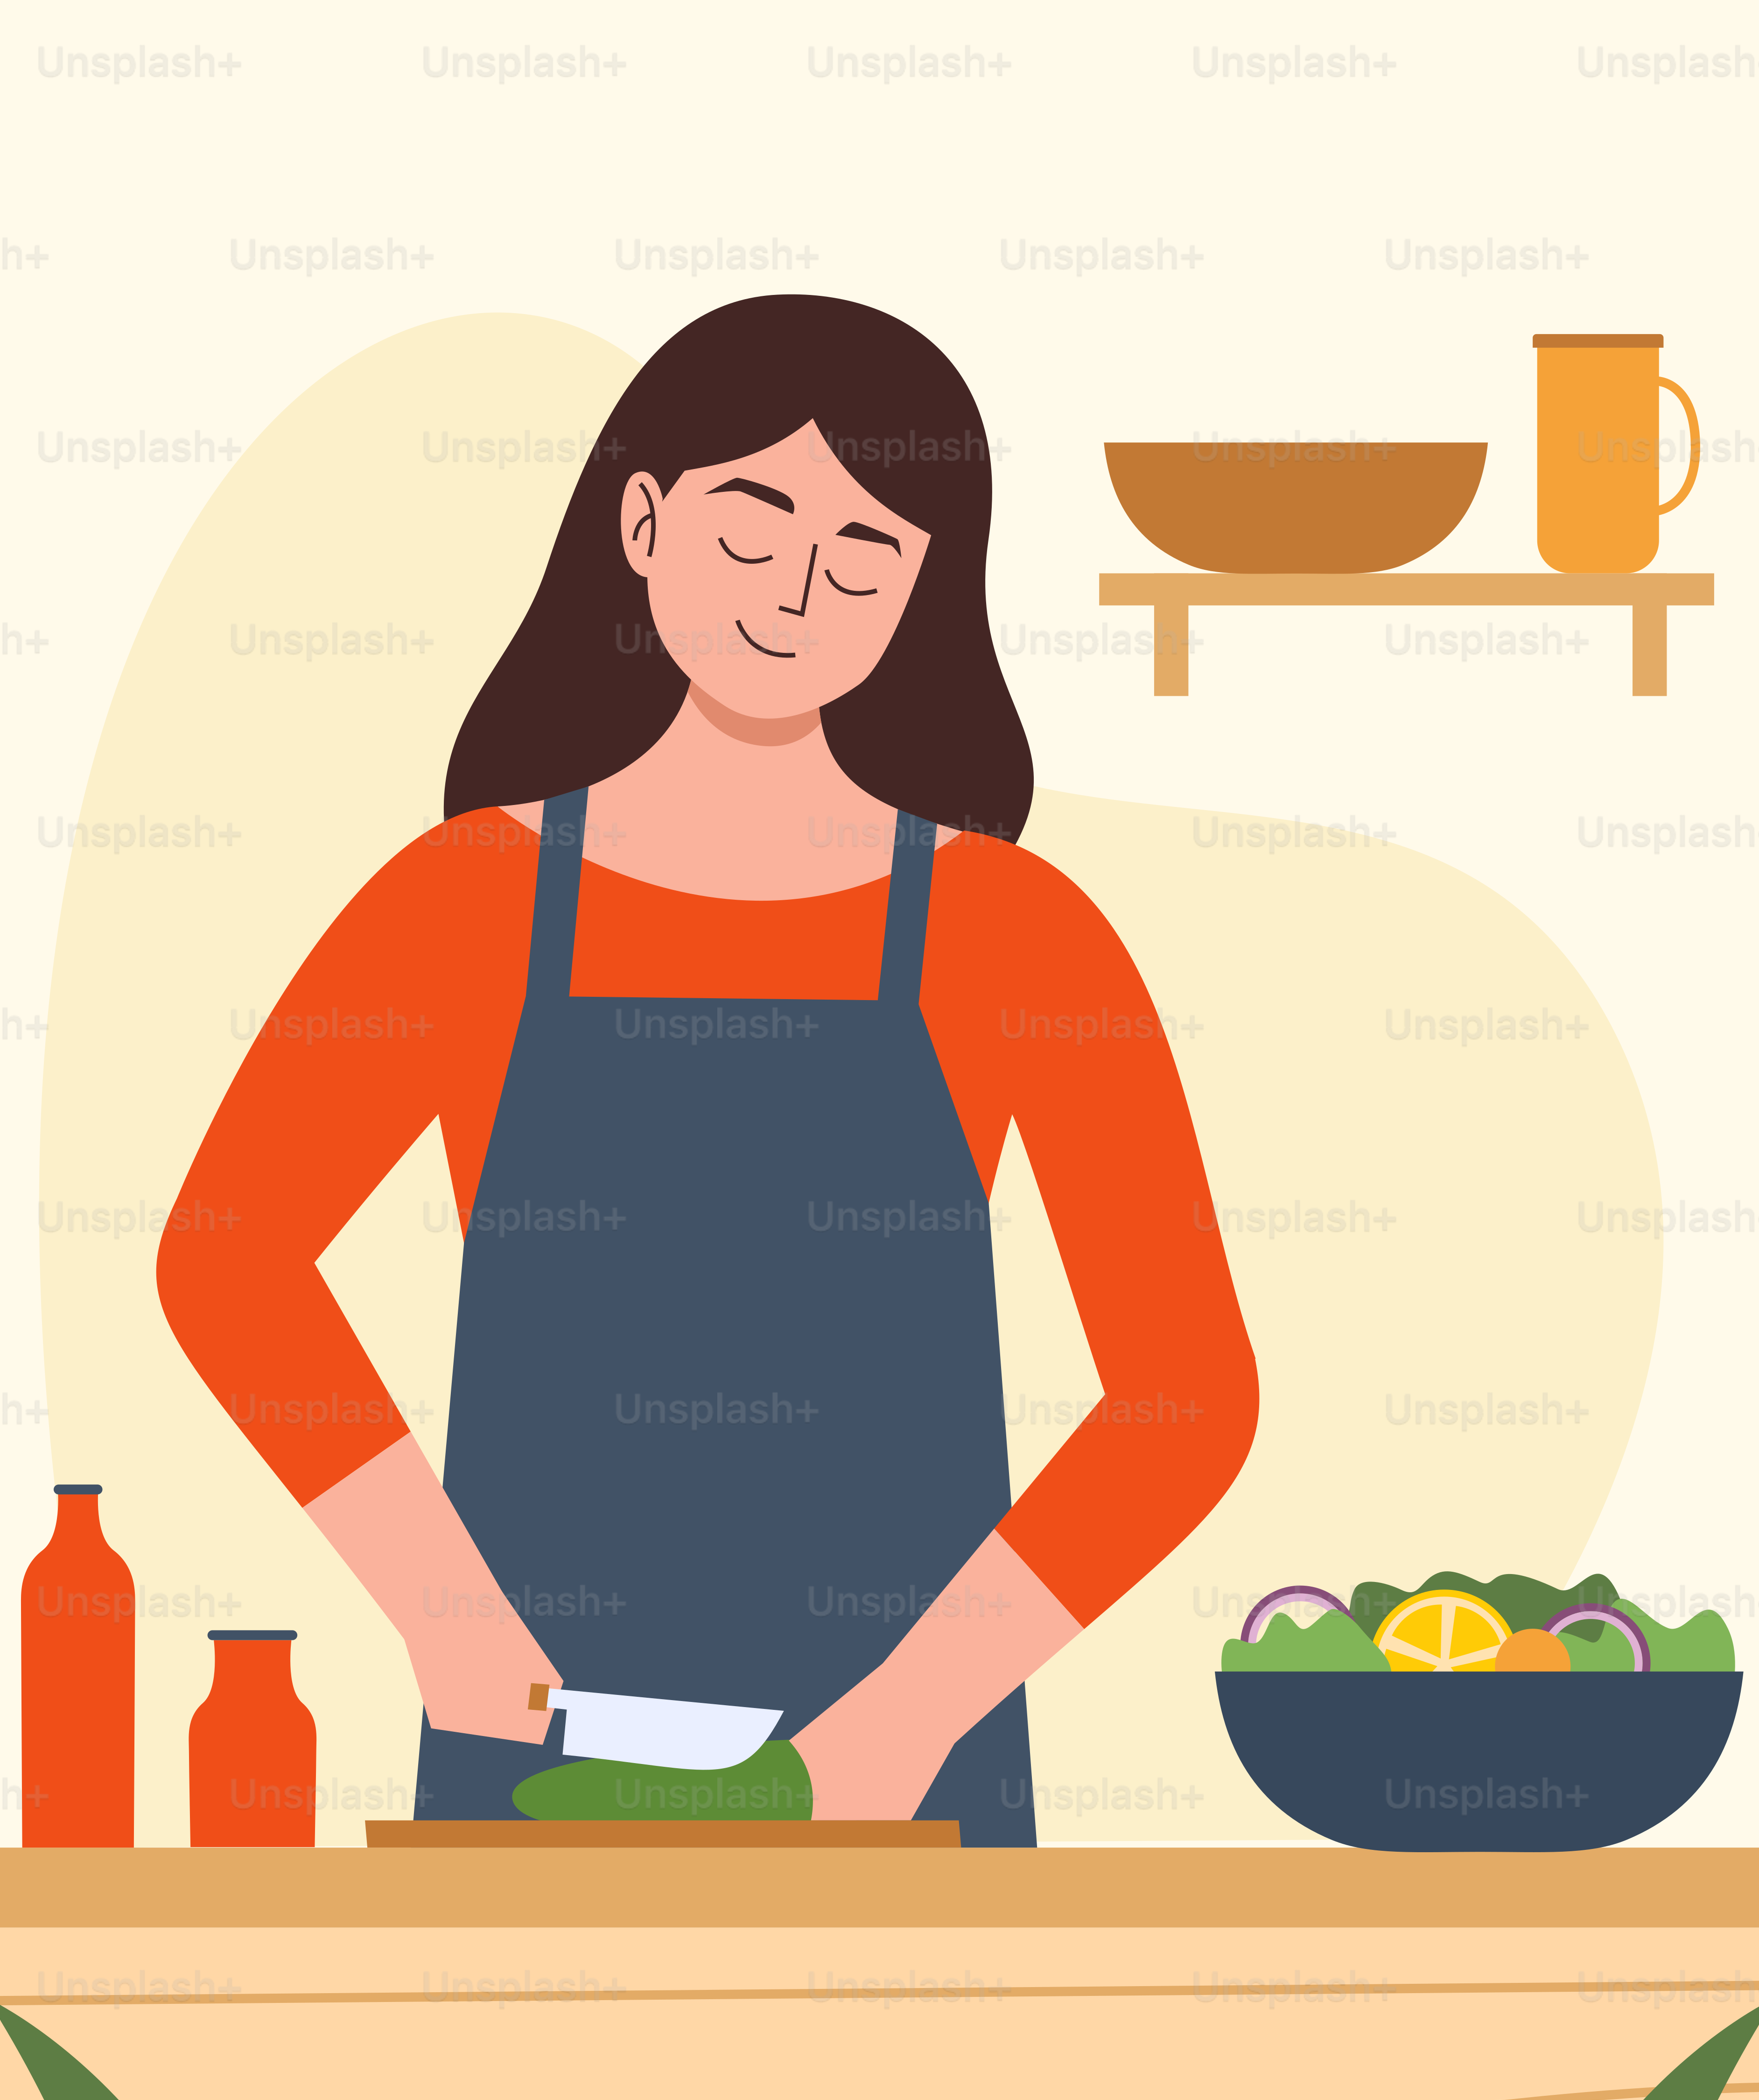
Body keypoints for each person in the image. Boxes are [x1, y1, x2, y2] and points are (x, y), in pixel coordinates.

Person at [158, 294, 1258, 1843]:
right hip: (533, 1738)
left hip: (908, 1783)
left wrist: (903, 1721)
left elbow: (1188, 1398)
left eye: (864, 555)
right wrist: (444, 1614)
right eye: (755, 526)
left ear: (922, 593)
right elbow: (228, 1258)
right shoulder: (463, 902)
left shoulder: (1024, 938)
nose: (799, 593)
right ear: (643, 520)